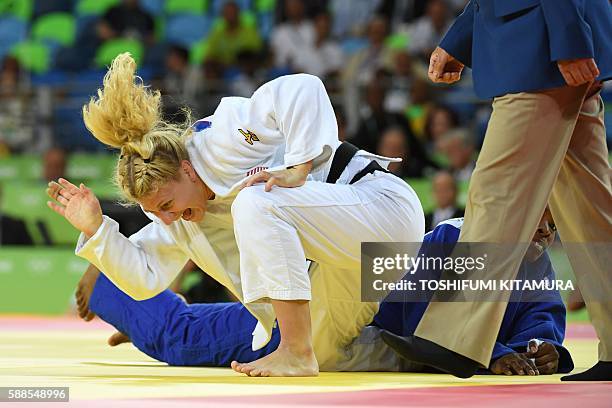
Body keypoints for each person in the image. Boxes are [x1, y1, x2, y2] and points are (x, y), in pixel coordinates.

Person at [46, 53, 425, 377]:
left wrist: (298, 166)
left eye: (165, 205)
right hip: (350, 267)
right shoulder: (182, 215)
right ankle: (412, 350)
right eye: (153, 212)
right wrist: (98, 230)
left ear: (186, 169)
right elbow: (145, 277)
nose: (165, 217)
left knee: (255, 200)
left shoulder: (223, 141)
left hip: (378, 214)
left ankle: (294, 349)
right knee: (328, 353)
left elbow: (303, 87)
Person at [382, 0, 612, 381]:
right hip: (550, 35)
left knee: (495, 194)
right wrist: (458, 40)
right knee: (592, 214)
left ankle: (455, 338)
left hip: (541, 48)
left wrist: (571, 42)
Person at [74, 209, 572, 375]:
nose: (547, 233)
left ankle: (135, 313)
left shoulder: (533, 261)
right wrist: (498, 353)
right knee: (179, 339)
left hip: (336, 324)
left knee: (207, 325)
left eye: (553, 223)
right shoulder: (454, 241)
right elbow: (408, 323)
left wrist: (543, 348)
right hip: (331, 323)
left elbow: (540, 316)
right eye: (540, 219)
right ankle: (111, 282)